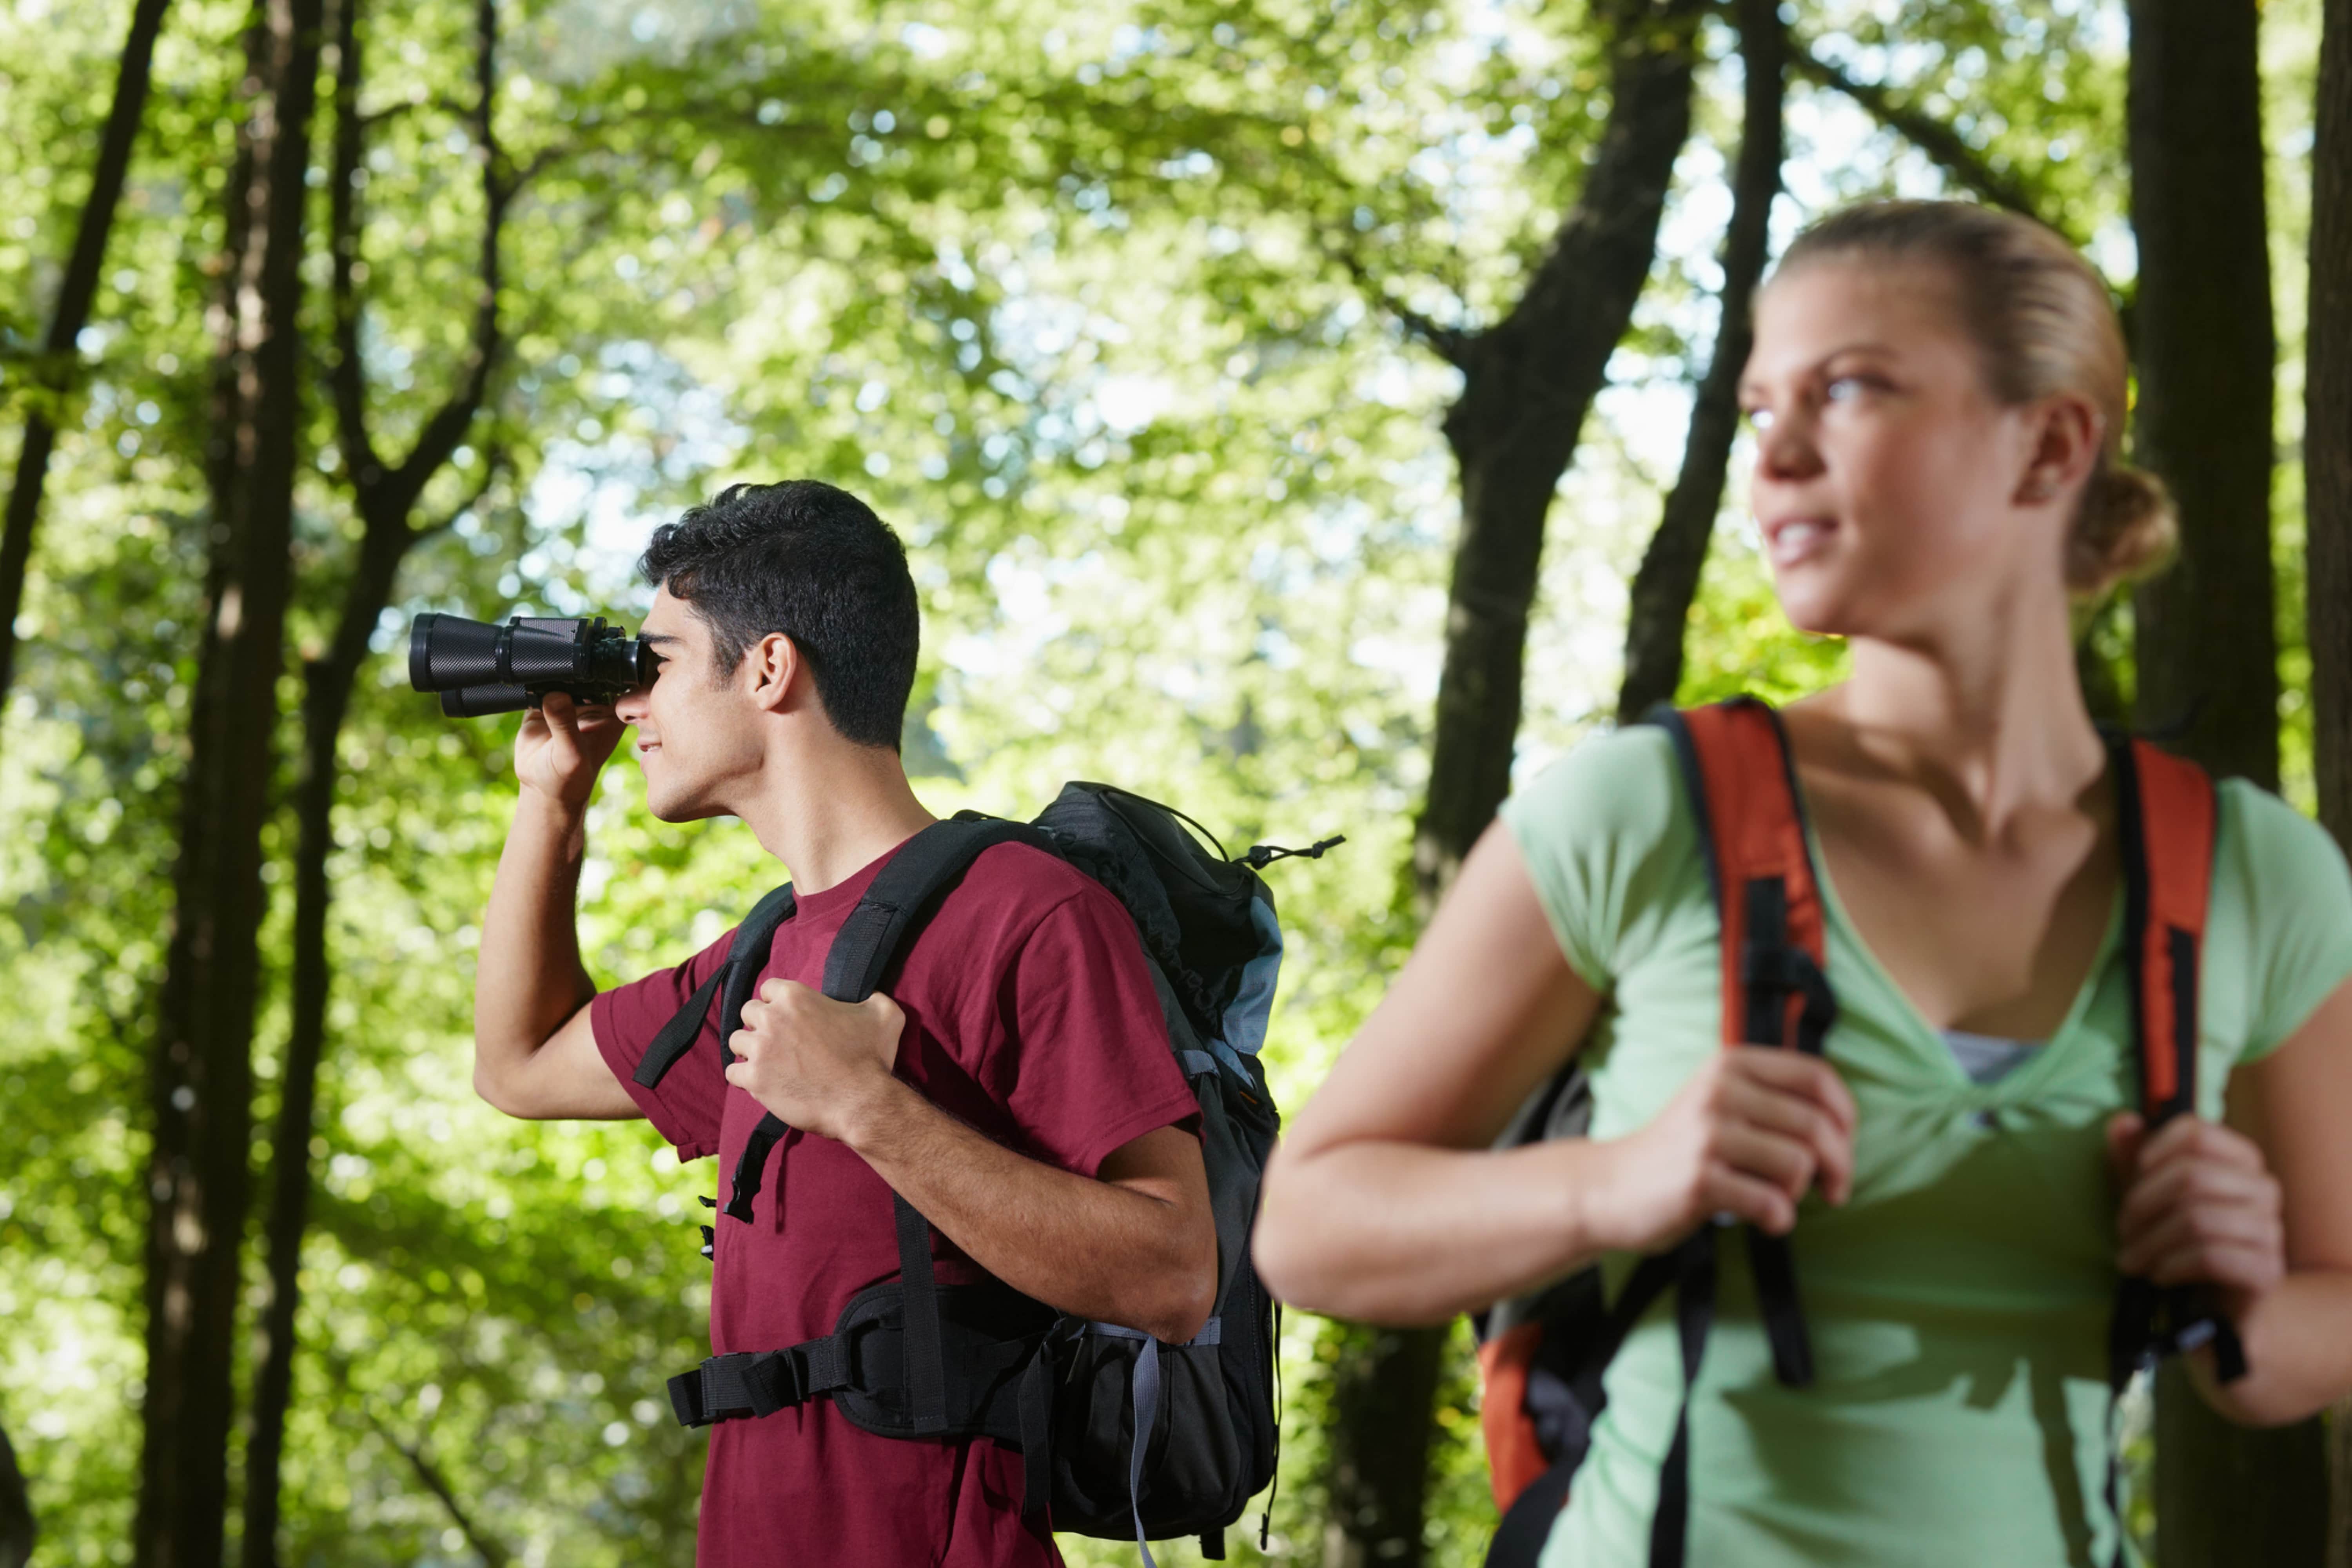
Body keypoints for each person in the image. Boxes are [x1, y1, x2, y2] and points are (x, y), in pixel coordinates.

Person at [1252, 201, 2352, 1565]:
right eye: (1761, 401)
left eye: (1847, 390)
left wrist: (2237, 1299)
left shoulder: (2252, 874)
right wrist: (1618, 1182)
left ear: (2052, 442)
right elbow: (1307, 1224)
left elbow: (2329, 1311)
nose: (1769, 457)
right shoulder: (1646, 810)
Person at [468, 480, 1214, 1567]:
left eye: (657, 663)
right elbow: (519, 1067)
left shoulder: (1027, 911)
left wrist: (868, 1107)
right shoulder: (760, 961)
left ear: (768, 667)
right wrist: (550, 804)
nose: (629, 705)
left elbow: (1175, 1276)